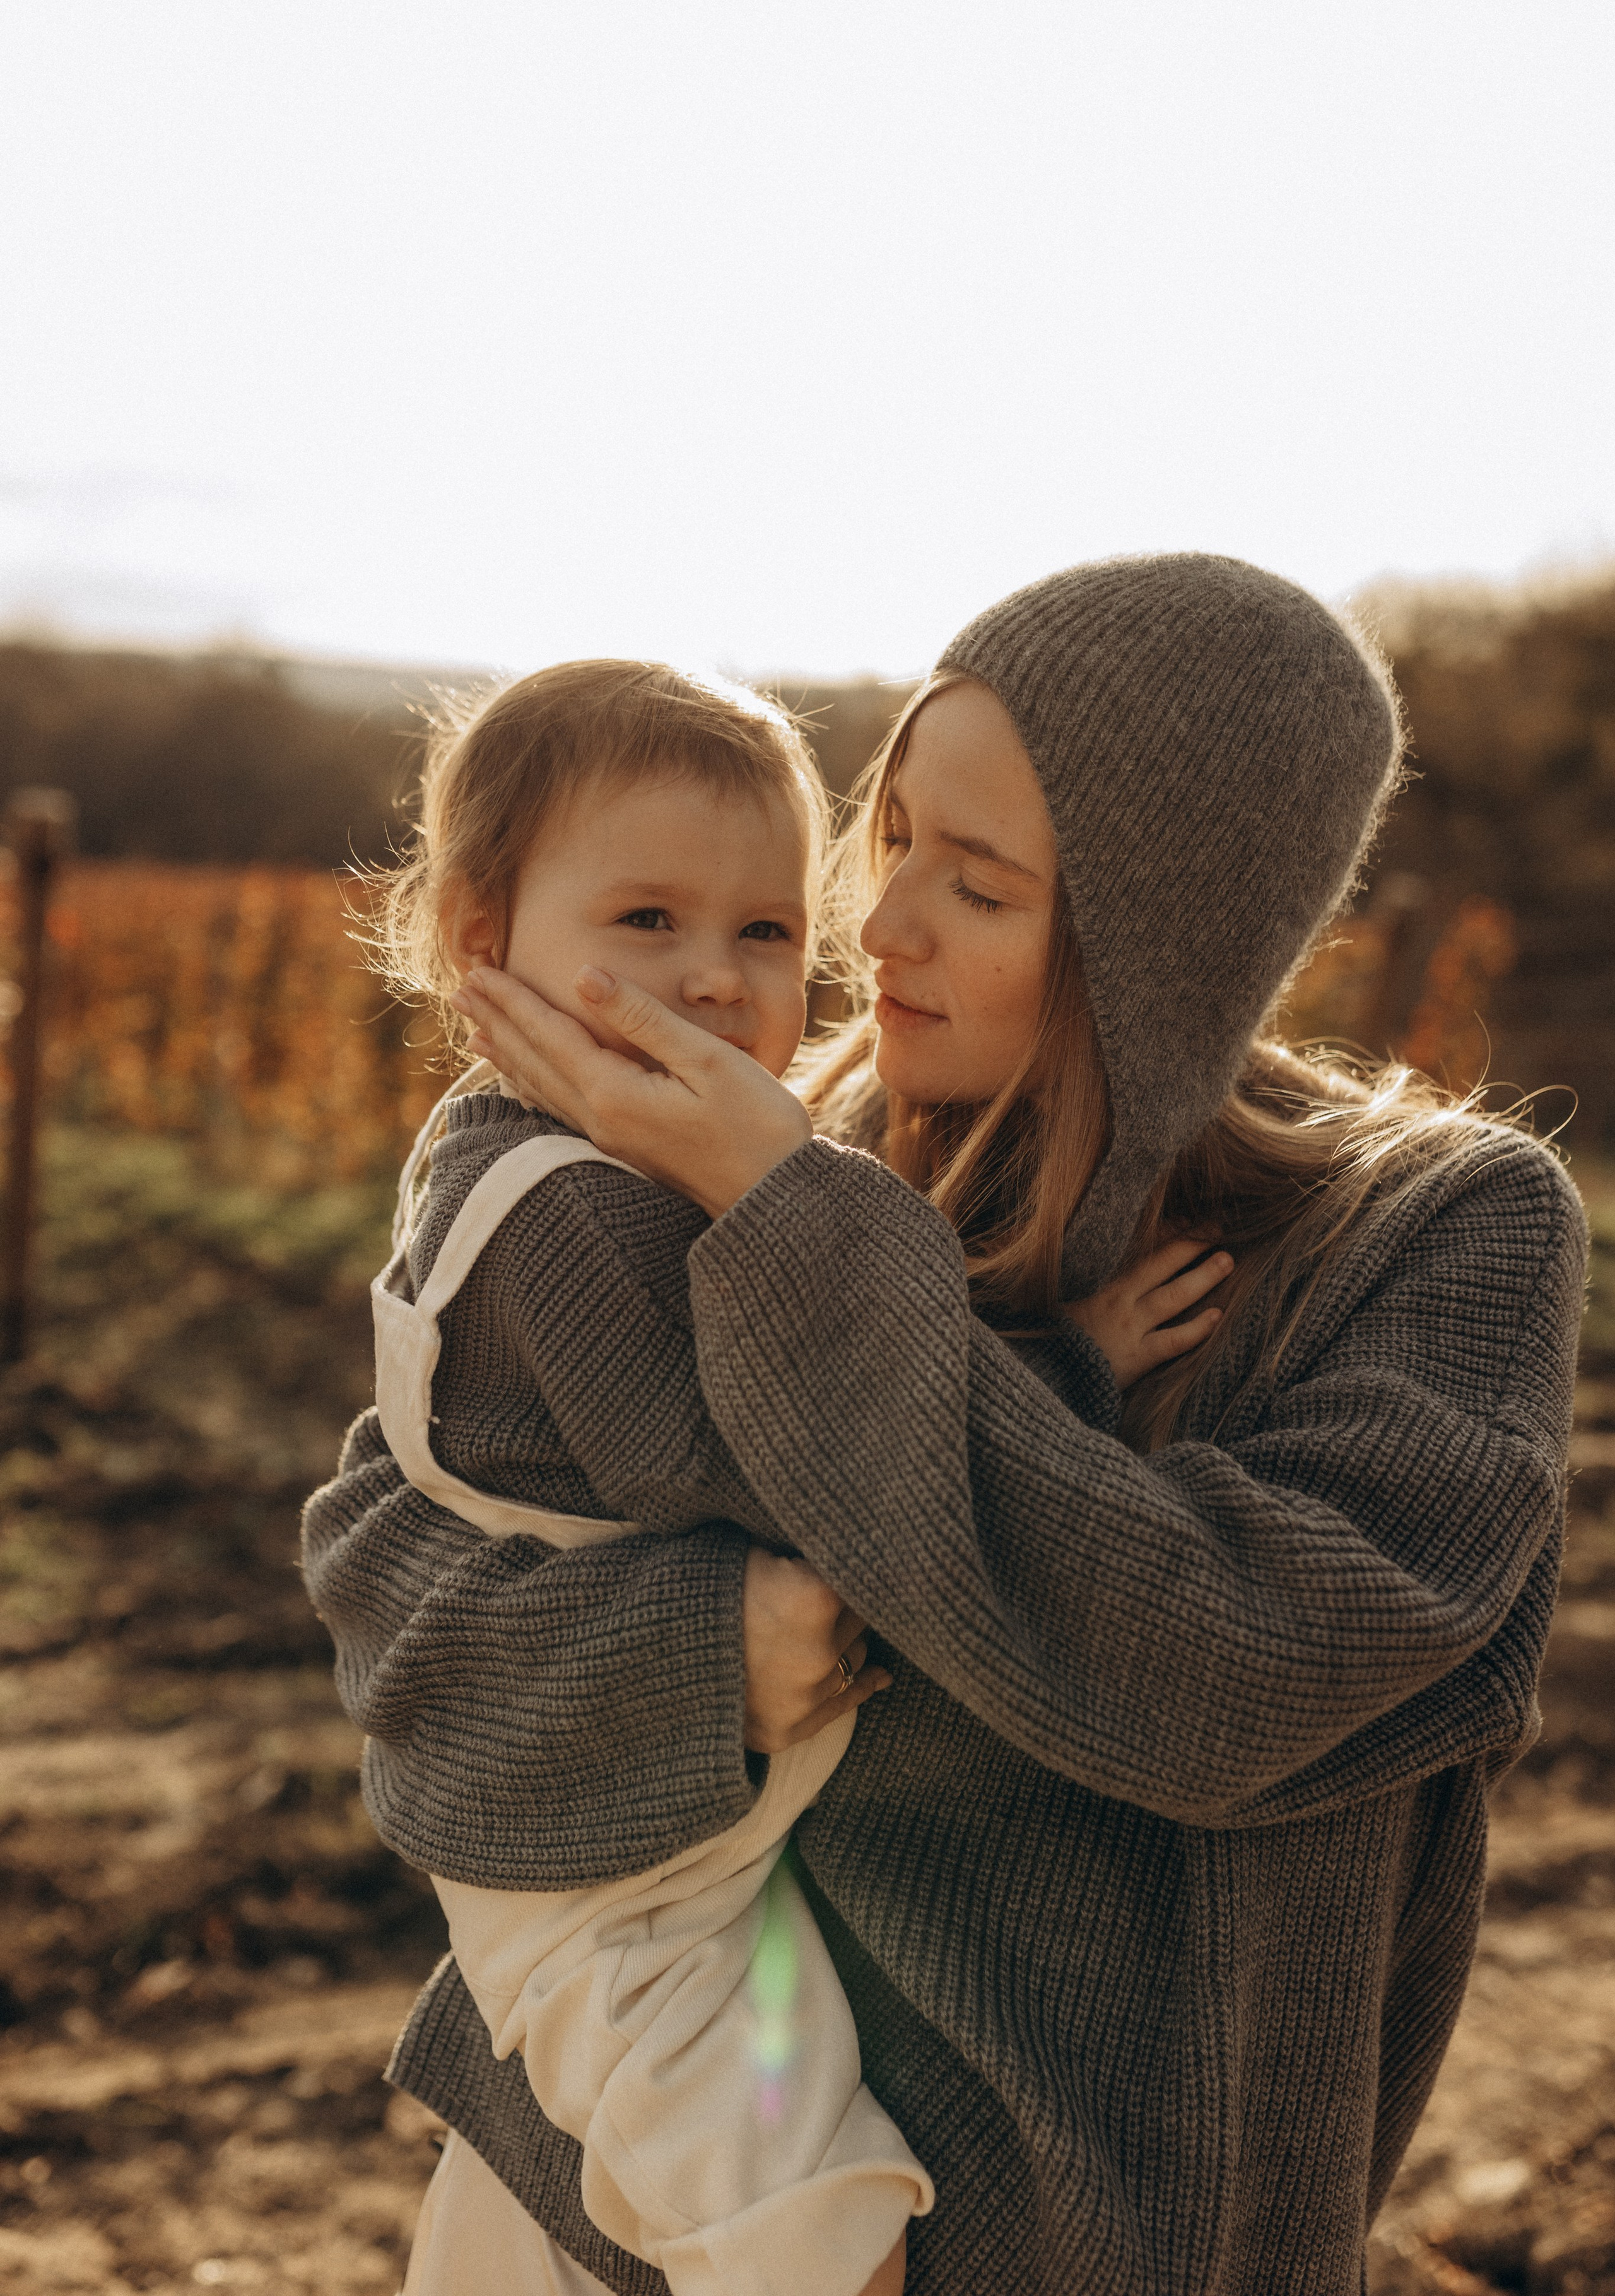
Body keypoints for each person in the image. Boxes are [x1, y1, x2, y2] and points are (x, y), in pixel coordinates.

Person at [308, 555, 1586, 2295]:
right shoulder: (811, 1128)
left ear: (1168, 946)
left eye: (975, 885)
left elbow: (1231, 1671)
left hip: (1060, 2244)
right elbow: (393, 1569)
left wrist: (795, 1229)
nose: (877, 926)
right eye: (892, 832)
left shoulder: (1435, 1229)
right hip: (620, 2177)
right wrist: (710, 1655)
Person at [308, 653, 1219, 2296]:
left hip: (666, 1848)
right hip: (610, 1892)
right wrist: (1066, 1364)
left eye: (769, 931)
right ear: (476, 939)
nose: (719, 981)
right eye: (645, 921)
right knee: (810, 2240)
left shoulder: (578, 1162)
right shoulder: (572, 1218)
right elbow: (795, 1464)